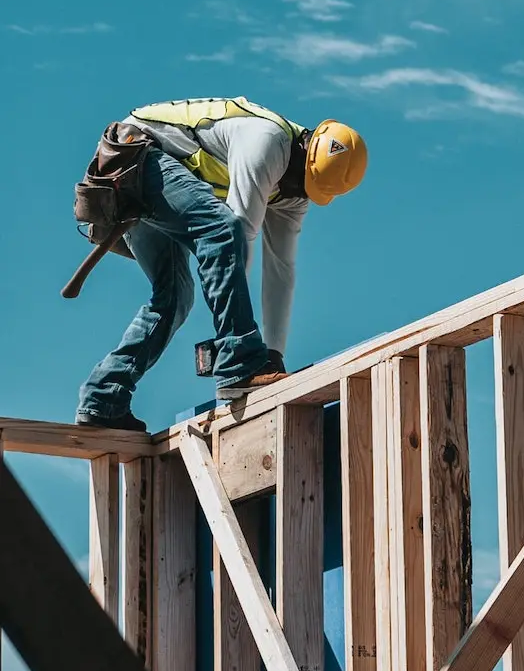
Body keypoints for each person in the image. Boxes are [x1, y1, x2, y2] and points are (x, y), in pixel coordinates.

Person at [75, 97, 367, 431]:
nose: (293, 193)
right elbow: (236, 234)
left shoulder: (293, 192)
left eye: (305, 190)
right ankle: (239, 361)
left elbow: (280, 271)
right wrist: (240, 351)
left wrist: (273, 353)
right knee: (222, 228)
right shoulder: (267, 141)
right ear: (304, 149)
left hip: (152, 178)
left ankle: (103, 398)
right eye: (298, 182)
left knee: (174, 299)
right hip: (133, 157)